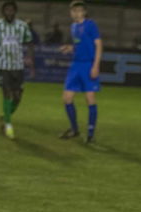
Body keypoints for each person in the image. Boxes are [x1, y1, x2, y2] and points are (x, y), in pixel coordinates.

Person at [0, 1, 34, 140]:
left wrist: (30, 61)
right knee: (7, 94)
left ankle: (4, 116)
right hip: (2, 66)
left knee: (17, 98)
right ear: (2, 12)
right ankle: (8, 126)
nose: (9, 12)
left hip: (18, 66)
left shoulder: (22, 26)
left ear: (15, 11)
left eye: (12, 10)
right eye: (7, 10)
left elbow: (30, 43)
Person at [59, 0, 102, 144]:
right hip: (75, 65)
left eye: (79, 10)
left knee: (89, 98)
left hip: (88, 65)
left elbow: (98, 45)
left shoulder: (90, 25)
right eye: (73, 11)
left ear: (84, 12)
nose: (76, 13)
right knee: (67, 98)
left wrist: (95, 66)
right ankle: (74, 129)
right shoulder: (73, 27)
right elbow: (79, 45)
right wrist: (70, 48)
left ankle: (90, 133)